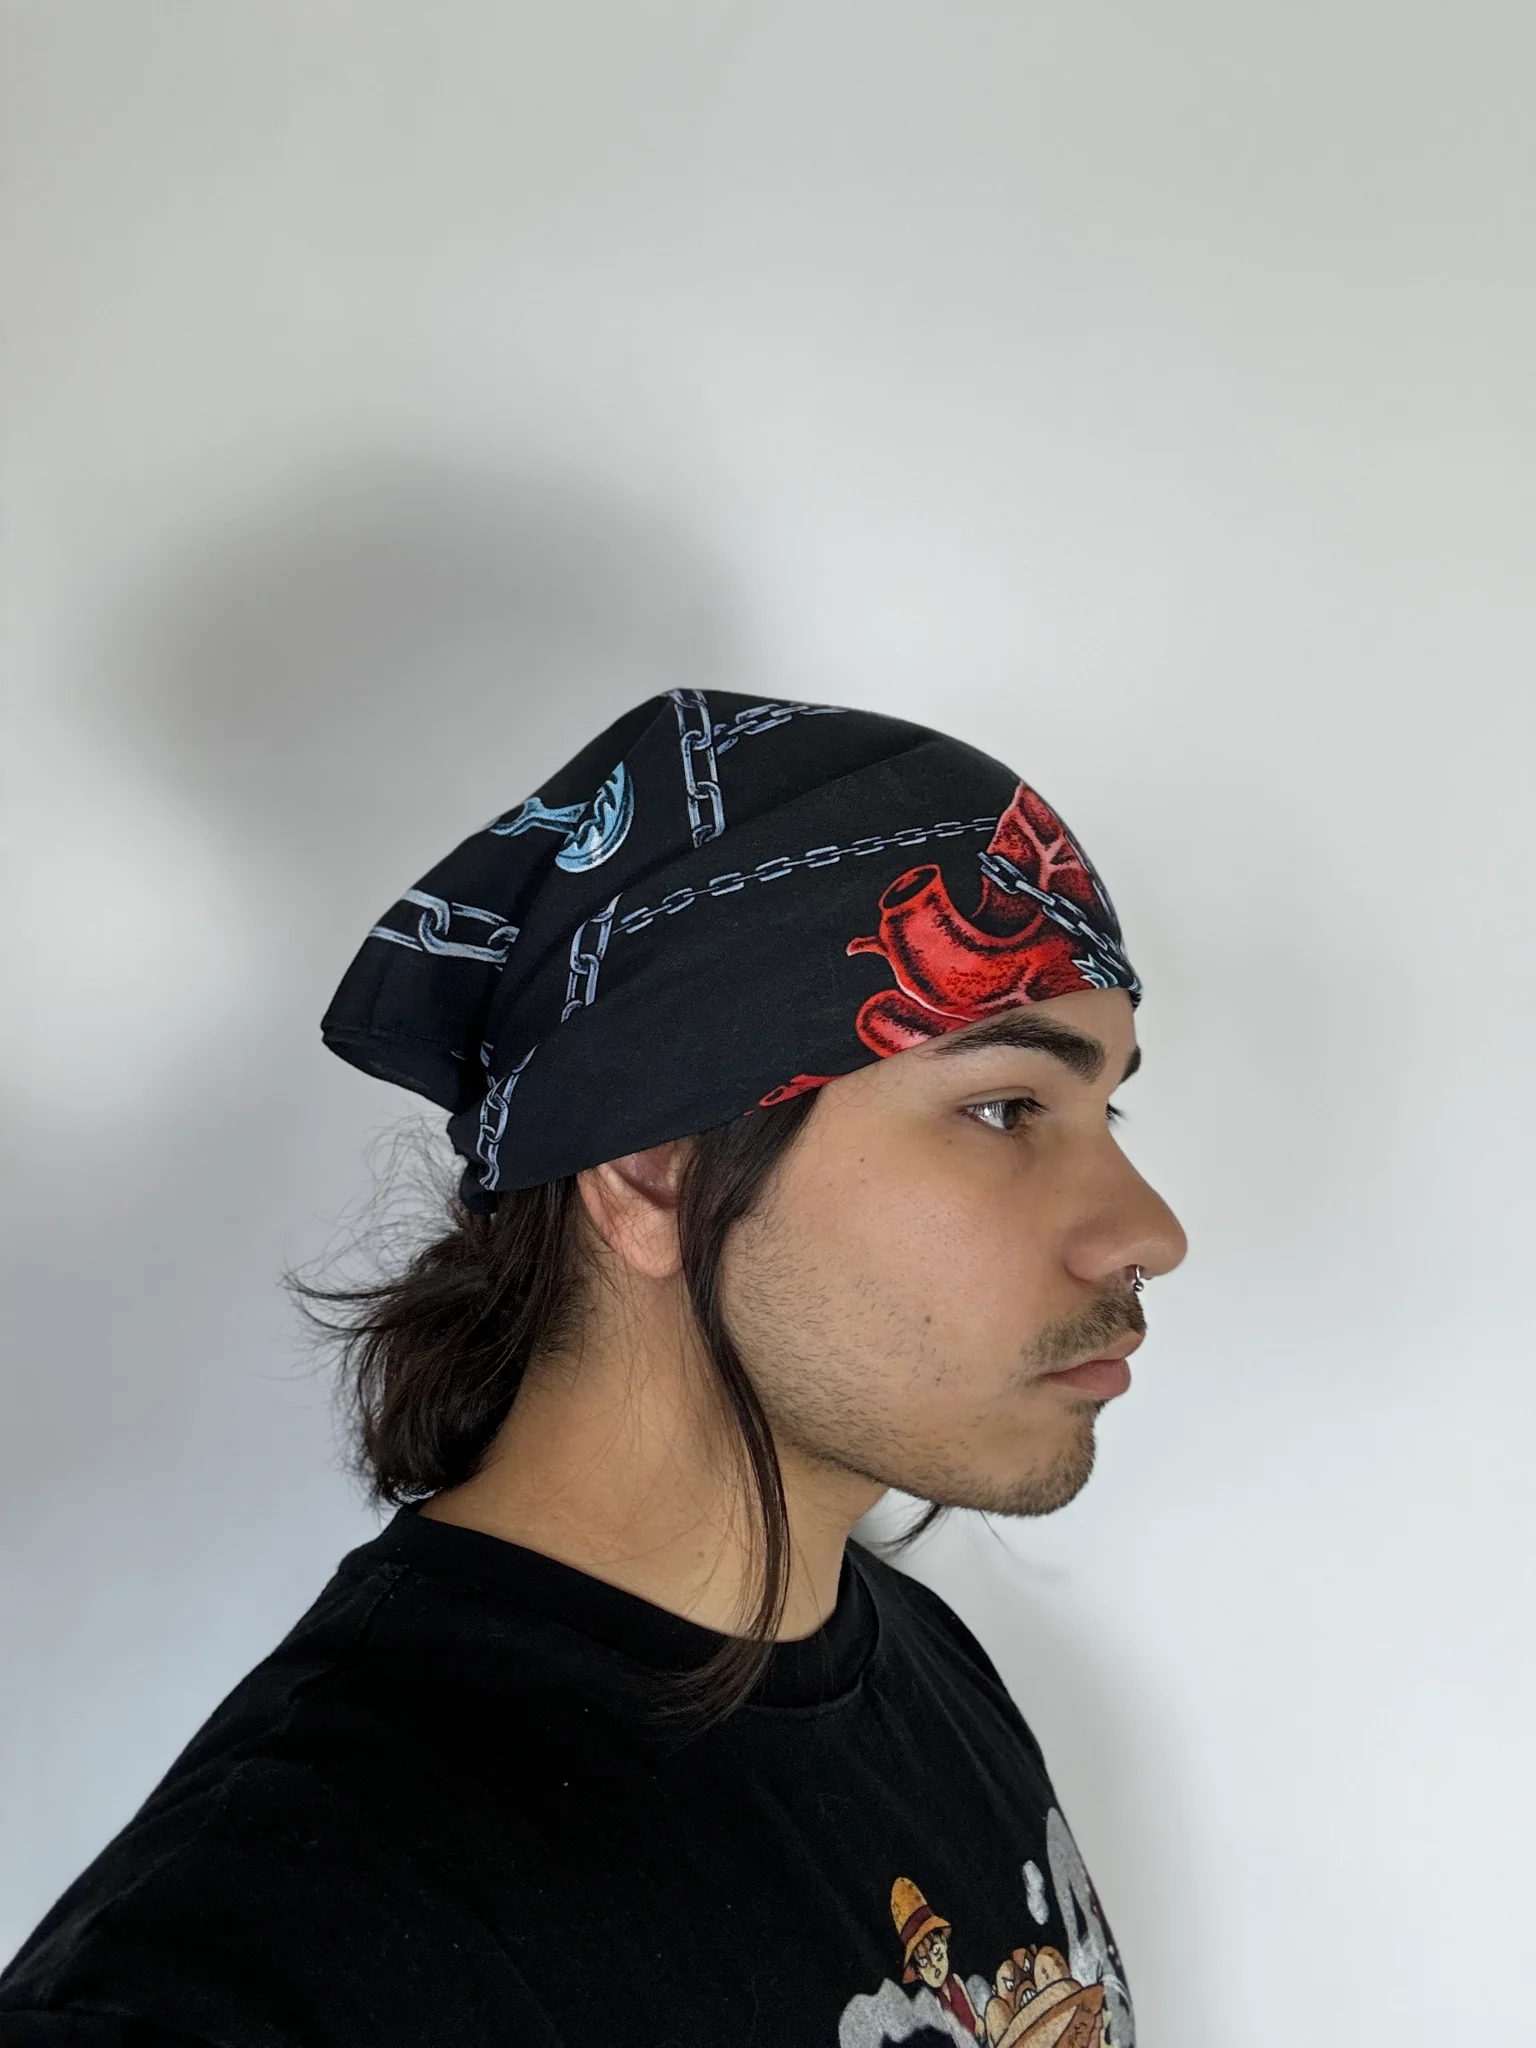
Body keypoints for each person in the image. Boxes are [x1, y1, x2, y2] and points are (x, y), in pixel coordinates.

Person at [0, 691, 1185, 2048]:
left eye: (1107, 1106)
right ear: (651, 1166)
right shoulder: (269, 1951)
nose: (1150, 1231)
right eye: (1005, 1107)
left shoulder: (919, 1666)